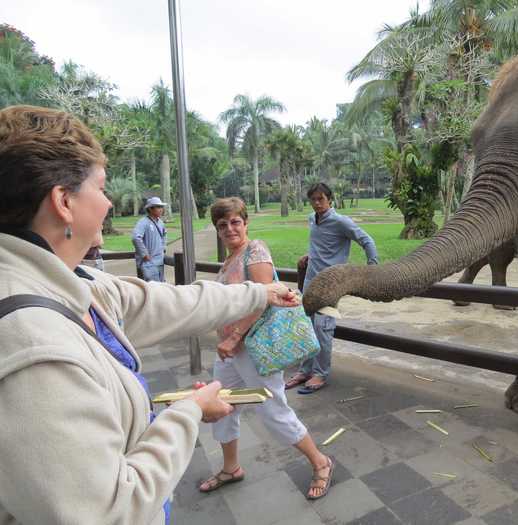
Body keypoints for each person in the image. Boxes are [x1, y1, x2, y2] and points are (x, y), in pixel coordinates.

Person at [0, 105, 299, 525]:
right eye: (101, 188)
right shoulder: (34, 350)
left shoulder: (70, 282)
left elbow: (168, 303)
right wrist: (188, 413)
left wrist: (259, 293)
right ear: (63, 202)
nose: (108, 202)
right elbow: (108, 511)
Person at [198, 197, 334, 500]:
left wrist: (234, 338)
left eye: (235, 222)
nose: (229, 228)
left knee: (273, 412)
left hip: (254, 349)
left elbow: (264, 298)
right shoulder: (231, 259)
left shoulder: (255, 250)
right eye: (223, 224)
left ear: (245, 223)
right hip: (231, 353)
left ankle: (321, 462)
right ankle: (231, 467)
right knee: (220, 406)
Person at [285, 183, 378, 394]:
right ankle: (305, 370)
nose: (317, 203)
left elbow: (366, 240)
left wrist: (373, 267)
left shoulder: (340, 221)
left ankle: (320, 374)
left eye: (321, 199)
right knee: (306, 328)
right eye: (313, 200)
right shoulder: (312, 219)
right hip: (310, 282)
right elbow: (321, 244)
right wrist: (309, 256)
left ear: (330, 199)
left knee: (322, 328)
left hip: (330, 285)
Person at [132, 196, 168, 282]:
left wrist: (163, 248)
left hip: (160, 262)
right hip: (149, 264)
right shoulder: (143, 222)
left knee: (161, 288)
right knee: (154, 290)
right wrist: (144, 254)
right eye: (158, 207)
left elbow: (164, 235)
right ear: (151, 209)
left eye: (161, 207)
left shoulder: (160, 222)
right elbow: (135, 238)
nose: (161, 209)